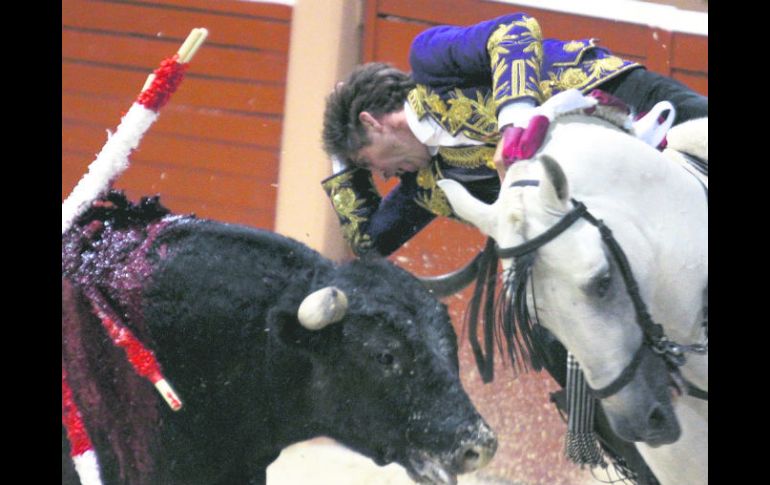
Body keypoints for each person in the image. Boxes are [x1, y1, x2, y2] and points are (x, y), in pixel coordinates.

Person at [320, 12, 707, 258]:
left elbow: (514, 29)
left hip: (628, 102)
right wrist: (341, 158)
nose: (384, 175)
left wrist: (514, 124)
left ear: (372, 123)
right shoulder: (427, 187)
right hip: (616, 208)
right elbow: (370, 244)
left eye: (367, 162)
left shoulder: (430, 64)